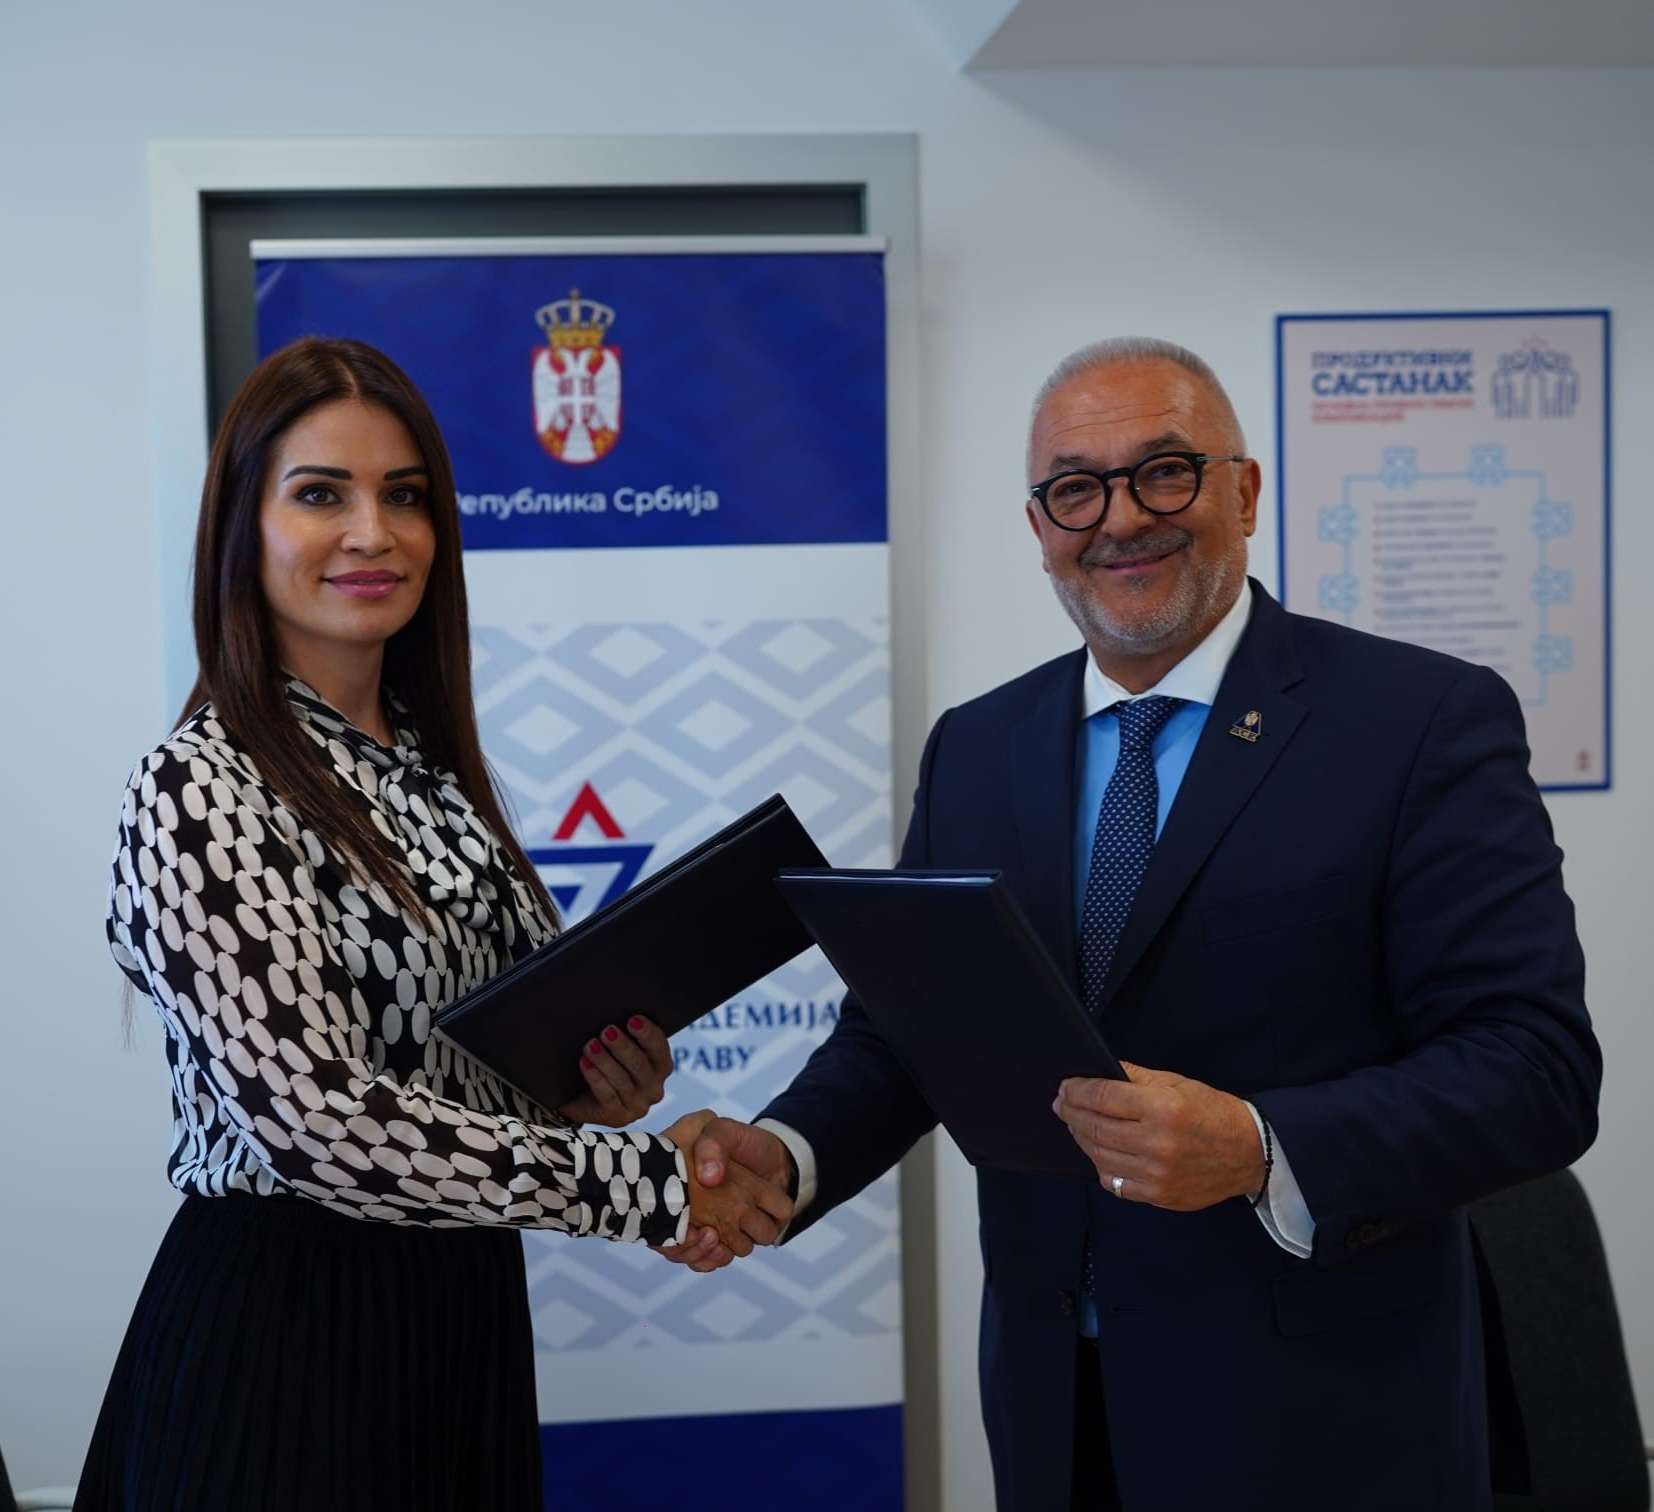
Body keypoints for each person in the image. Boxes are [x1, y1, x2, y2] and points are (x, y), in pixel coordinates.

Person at [667, 338, 1602, 1510]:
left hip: (1327, 1419)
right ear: (1039, 526)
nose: (1120, 519)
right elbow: (909, 1032)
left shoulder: (1419, 722)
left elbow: (1535, 1068)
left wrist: (1261, 1145)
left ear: (1244, 492)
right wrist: (789, 1151)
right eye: (1077, 489)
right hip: (1059, 1407)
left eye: (1164, 472)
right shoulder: (978, 746)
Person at [77, 336, 792, 1510]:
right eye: (322, 495)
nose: (374, 532)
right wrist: (654, 1185)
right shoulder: (201, 785)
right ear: (243, 529)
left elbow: (462, 1077)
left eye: (404, 497)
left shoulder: (434, 772)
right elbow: (319, 1124)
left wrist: (580, 1090)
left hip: (458, 1320)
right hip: (288, 1340)